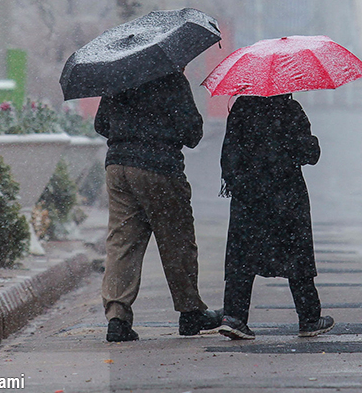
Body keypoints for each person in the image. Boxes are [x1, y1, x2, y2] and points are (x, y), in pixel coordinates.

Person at [95, 71, 221, 342]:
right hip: (158, 168)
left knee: (122, 242)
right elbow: (192, 133)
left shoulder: (118, 75)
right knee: (176, 240)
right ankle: (190, 313)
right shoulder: (172, 79)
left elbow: (101, 124)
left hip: (118, 166)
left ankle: (117, 317)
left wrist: (128, 129)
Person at [216, 94, 334, 340]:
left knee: (242, 258)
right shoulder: (289, 109)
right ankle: (309, 318)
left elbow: (229, 153)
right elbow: (310, 154)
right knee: (297, 257)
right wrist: (306, 141)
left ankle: (234, 317)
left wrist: (239, 185)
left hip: (249, 197)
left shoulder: (241, 109)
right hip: (286, 197)